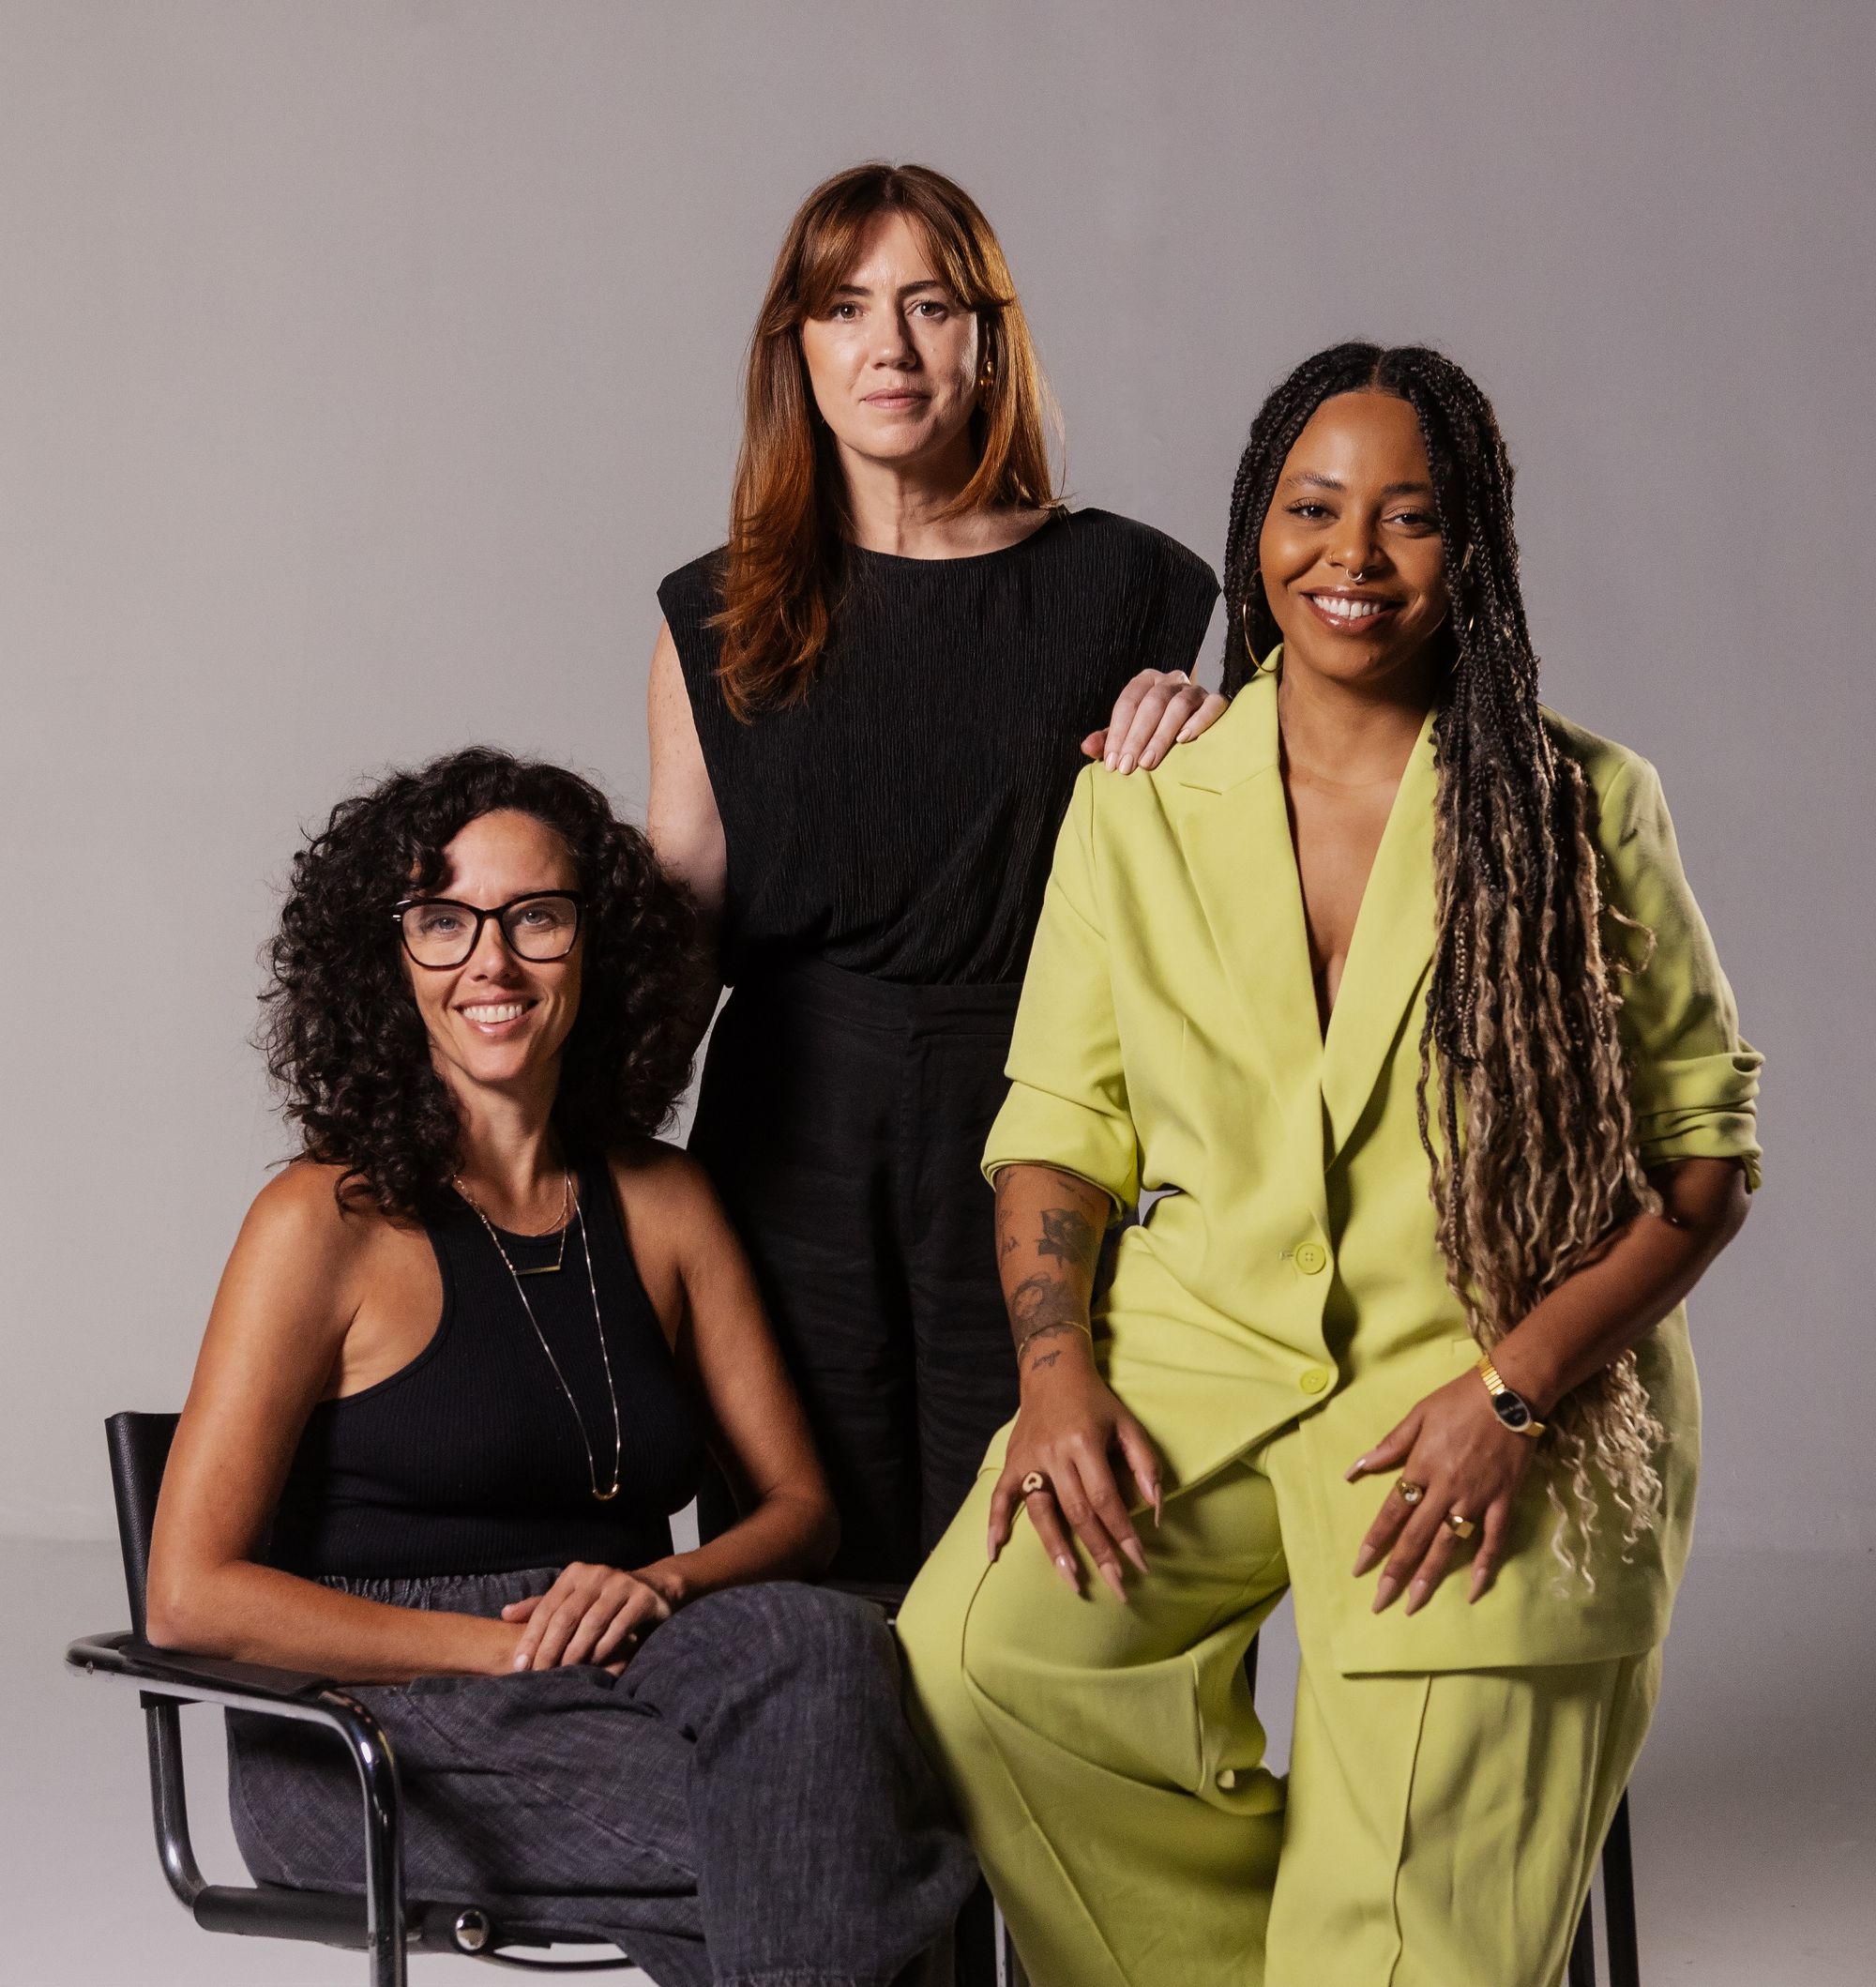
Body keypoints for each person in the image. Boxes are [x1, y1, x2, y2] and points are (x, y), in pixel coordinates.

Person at [898, 344, 1762, 1987]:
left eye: (1410, 517)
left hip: (1488, 1386)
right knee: (981, 1660)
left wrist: (1515, 1395)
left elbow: (1701, 1161)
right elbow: (1058, 1124)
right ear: (1256, 527)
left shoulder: (1581, 804)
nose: (1352, 555)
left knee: (1408, 1927)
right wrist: (1056, 1372)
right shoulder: (1145, 802)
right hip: (1199, 1362)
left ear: (1473, 550)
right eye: (1312, 507)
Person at [144, 748, 974, 1987]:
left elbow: (801, 1509)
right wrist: (490, 1648)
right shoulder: (322, 1221)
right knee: (851, 1827)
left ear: (596, 946)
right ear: (389, 957)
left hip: (627, 1650)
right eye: (444, 921)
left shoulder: (664, 1198)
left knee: (819, 1646)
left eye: (535, 916)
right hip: (365, 1718)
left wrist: (661, 1582)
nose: (492, 961)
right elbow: (189, 1597)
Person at [650, 160, 1225, 1583]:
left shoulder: (1128, 590)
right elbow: (678, 930)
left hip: (1036, 1114)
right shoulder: (716, 612)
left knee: (1036, 1560)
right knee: (799, 1565)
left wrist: (1206, 747)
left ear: (989, 338)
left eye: (930, 306)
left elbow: (1232, 884)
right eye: (846, 308)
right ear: (796, 345)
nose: (889, 349)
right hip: (785, 1130)